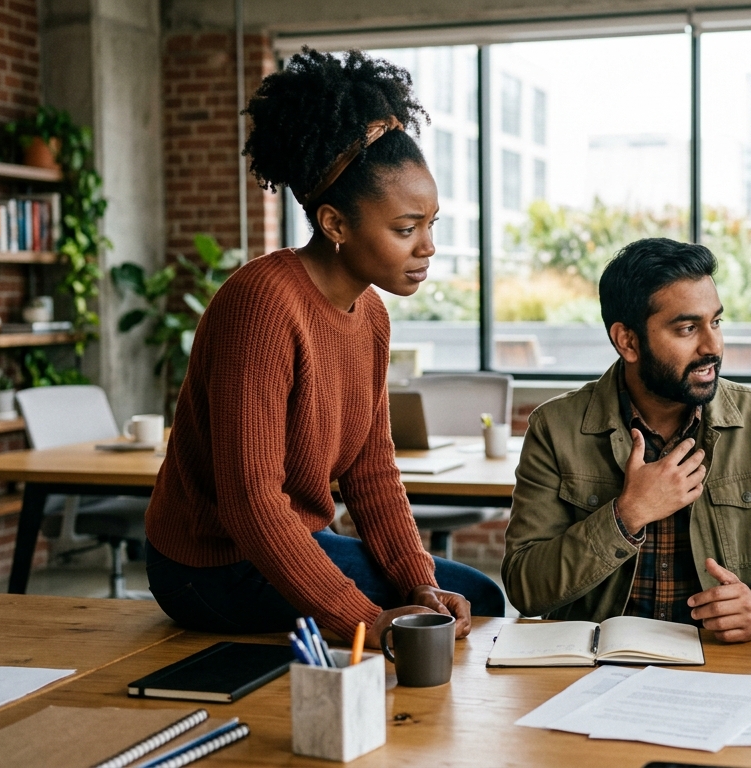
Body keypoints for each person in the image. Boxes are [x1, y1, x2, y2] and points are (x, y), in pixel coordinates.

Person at [143, 49, 503, 649]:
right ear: (335, 224)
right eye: (405, 228)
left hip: (290, 543)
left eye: (432, 224)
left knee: (465, 599)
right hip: (209, 567)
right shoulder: (261, 303)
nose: (428, 248)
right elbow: (251, 501)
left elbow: (371, 471)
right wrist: (360, 618)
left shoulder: (372, 315)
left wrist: (418, 581)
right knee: (464, 610)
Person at [503, 238, 751, 642]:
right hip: (594, 665)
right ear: (628, 341)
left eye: (716, 323)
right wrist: (627, 515)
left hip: (722, 664)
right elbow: (525, 588)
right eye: (688, 328)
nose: (712, 347)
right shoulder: (556, 427)